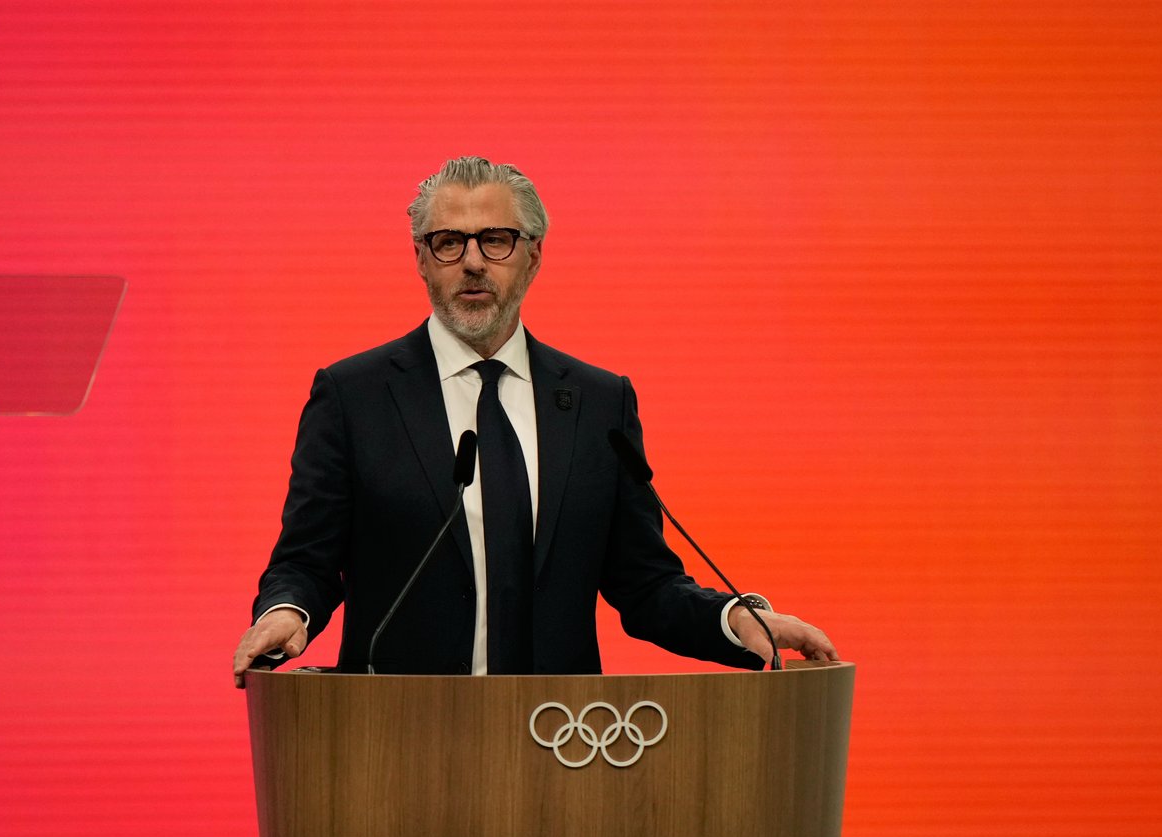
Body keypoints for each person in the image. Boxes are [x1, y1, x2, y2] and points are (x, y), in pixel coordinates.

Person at [233, 156, 836, 686]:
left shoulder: (601, 404)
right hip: (399, 739)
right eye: (448, 242)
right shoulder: (353, 396)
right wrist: (285, 612)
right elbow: (306, 561)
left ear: (534, 256)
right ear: (420, 259)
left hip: (560, 741)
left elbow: (645, 585)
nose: (472, 262)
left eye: (496, 240)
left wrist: (735, 619)